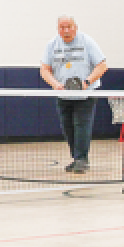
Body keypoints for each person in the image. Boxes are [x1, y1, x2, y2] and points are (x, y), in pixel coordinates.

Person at [40, 16, 108, 173]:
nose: (65, 31)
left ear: (75, 27)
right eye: (62, 28)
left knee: (81, 126)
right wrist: (55, 84)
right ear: (58, 29)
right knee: (68, 128)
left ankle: (82, 159)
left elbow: (102, 65)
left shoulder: (87, 42)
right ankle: (76, 158)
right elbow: (44, 69)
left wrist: (87, 82)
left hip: (85, 95)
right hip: (63, 96)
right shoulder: (52, 45)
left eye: (69, 27)